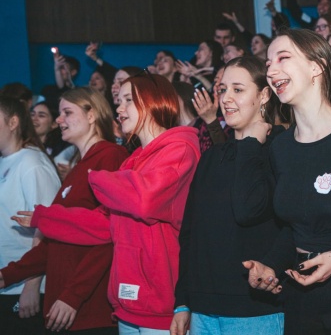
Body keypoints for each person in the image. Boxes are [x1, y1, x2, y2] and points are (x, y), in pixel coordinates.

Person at [14, 74, 201, 333]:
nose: (119, 109)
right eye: (119, 102)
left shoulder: (180, 148)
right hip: (128, 305)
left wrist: (97, 178)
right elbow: (103, 224)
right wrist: (44, 218)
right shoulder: (132, 162)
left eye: (128, 100)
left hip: (162, 306)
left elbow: (145, 200)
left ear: (152, 101)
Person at [243, 28, 331, 334]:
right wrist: (270, 264)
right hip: (300, 296)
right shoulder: (281, 147)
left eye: (283, 58)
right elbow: (294, 227)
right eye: (268, 63)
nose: (271, 70)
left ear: (317, 66)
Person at [171, 56, 285, 335]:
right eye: (223, 90)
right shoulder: (212, 157)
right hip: (203, 311)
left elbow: (251, 212)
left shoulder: (281, 151)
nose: (226, 98)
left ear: (264, 95)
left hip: (253, 311)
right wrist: (183, 301)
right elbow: (191, 235)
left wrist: (251, 143)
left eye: (238, 89)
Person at [1, 88, 128, 334]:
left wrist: (73, 295)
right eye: (59, 113)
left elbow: (110, 234)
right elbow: (54, 242)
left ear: (91, 115)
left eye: (67, 112)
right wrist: (7, 275)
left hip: (90, 309)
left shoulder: (111, 156)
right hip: (65, 306)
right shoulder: (79, 167)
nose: (59, 120)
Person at [0, 96, 61, 334]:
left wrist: (32, 285)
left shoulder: (32, 162)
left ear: (13, 122)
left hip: (23, 286)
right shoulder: (5, 161)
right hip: (7, 281)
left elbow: (48, 226)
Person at [30, 101, 76, 173]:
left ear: (54, 124)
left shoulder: (62, 150)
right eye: (32, 114)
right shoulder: (21, 144)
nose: (34, 119)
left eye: (41, 116)